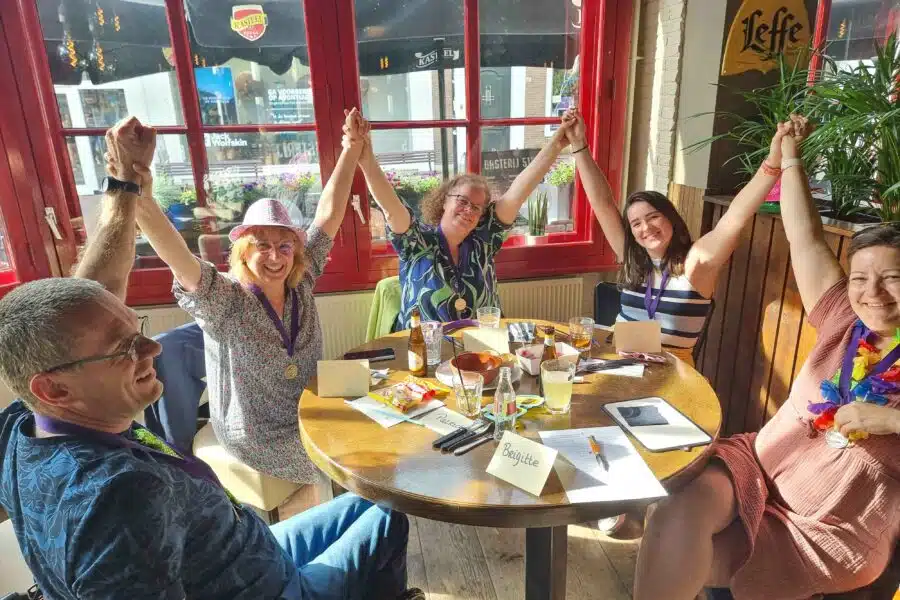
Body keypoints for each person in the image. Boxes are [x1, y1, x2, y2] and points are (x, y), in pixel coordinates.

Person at [0, 116, 421, 600]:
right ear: (53, 388)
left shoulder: (24, 422)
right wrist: (143, 199)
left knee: (384, 498)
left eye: (135, 331)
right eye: (123, 348)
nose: (152, 348)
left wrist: (128, 187)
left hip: (256, 539)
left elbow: (90, 300)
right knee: (372, 478)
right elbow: (176, 256)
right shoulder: (116, 499)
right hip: (264, 493)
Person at [633, 115, 900, 600]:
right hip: (759, 468)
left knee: (692, 554)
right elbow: (805, 238)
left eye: (893, 279)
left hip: (833, 525)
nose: (872, 293)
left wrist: (890, 419)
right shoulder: (844, 316)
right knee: (674, 510)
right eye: (861, 278)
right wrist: (791, 155)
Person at [127, 110, 365, 483]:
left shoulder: (301, 282)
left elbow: (329, 215)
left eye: (284, 246)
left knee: (381, 425)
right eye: (262, 245)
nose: (275, 257)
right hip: (257, 434)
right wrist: (140, 195)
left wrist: (351, 148)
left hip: (310, 410)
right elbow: (179, 259)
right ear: (242, 252)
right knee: (356, 464)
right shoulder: (226, 300)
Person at [565, 109, 794, 364]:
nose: (646, 228)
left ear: (670, 218)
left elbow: (735, 217)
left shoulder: (695, 262)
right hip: (618, 359)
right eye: (636, 223)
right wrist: (579, 145)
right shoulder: (632, 256)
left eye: (653, 217)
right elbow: (602, 204)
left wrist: (773, 162)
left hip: (672, 370)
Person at [348, 109, 575, 327]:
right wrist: (365, 157)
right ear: (444, 200)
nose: (469, 210)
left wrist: (557, 143)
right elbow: (390, 206)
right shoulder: (417, 242)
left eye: (476, 207)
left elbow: (518, 192)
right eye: (462, 201)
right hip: (423, 347)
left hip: (483, 344)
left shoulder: (484, 240)